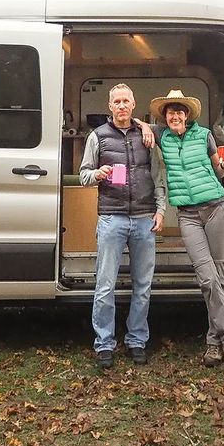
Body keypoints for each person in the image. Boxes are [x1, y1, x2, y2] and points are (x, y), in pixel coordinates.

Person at [149, 89, 224, 370]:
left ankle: (213, 344)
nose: (175, 115)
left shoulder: (204, 135)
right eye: (170, 112)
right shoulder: (161, 136)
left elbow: (220, 172)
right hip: (188, 216)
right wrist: (144, 128)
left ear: (188, 115)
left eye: (180, 111)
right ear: (164, 117)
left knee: (219, 277)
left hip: (217, 209)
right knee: (207, 277)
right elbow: (136, 124)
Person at [80, 84, 165, 371]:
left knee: (143, 286)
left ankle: (137, 340)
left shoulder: (147, 136)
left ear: (133, 103)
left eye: (126, 101)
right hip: (111, 218)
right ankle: (104, 344)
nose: (121, 106)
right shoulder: (97, 136)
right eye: (116, 101)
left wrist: (161, 210)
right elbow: (83, 176)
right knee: (105, 286)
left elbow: (157, 175)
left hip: (143, 218)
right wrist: (97, 173)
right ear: (110, 105)